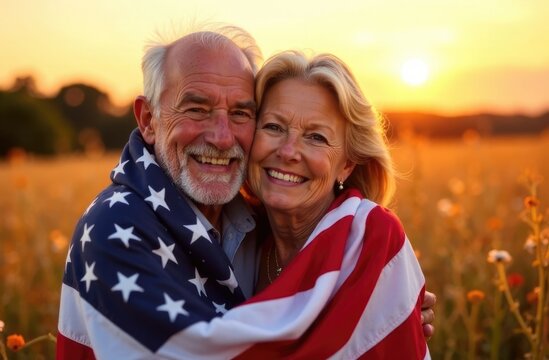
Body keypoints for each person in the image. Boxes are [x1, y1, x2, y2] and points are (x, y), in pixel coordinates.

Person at [56, 25, 434, 359]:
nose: (222, 138)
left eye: (240, 113)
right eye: (197, 109)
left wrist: (382, 302)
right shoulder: (116, 229)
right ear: (149, 120)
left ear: (348, 163)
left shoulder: (347, 242)